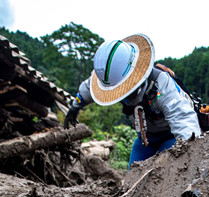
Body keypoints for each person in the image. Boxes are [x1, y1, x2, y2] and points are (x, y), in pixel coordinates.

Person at [63, 34, 201, 168]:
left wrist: (190, 155)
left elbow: (183, 119)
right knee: (132, 180)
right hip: (146, 139)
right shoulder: (108, 77)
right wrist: (75, 106)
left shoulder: (161, 83)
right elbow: (89, 87)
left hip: (172, 135)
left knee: (171, 176)